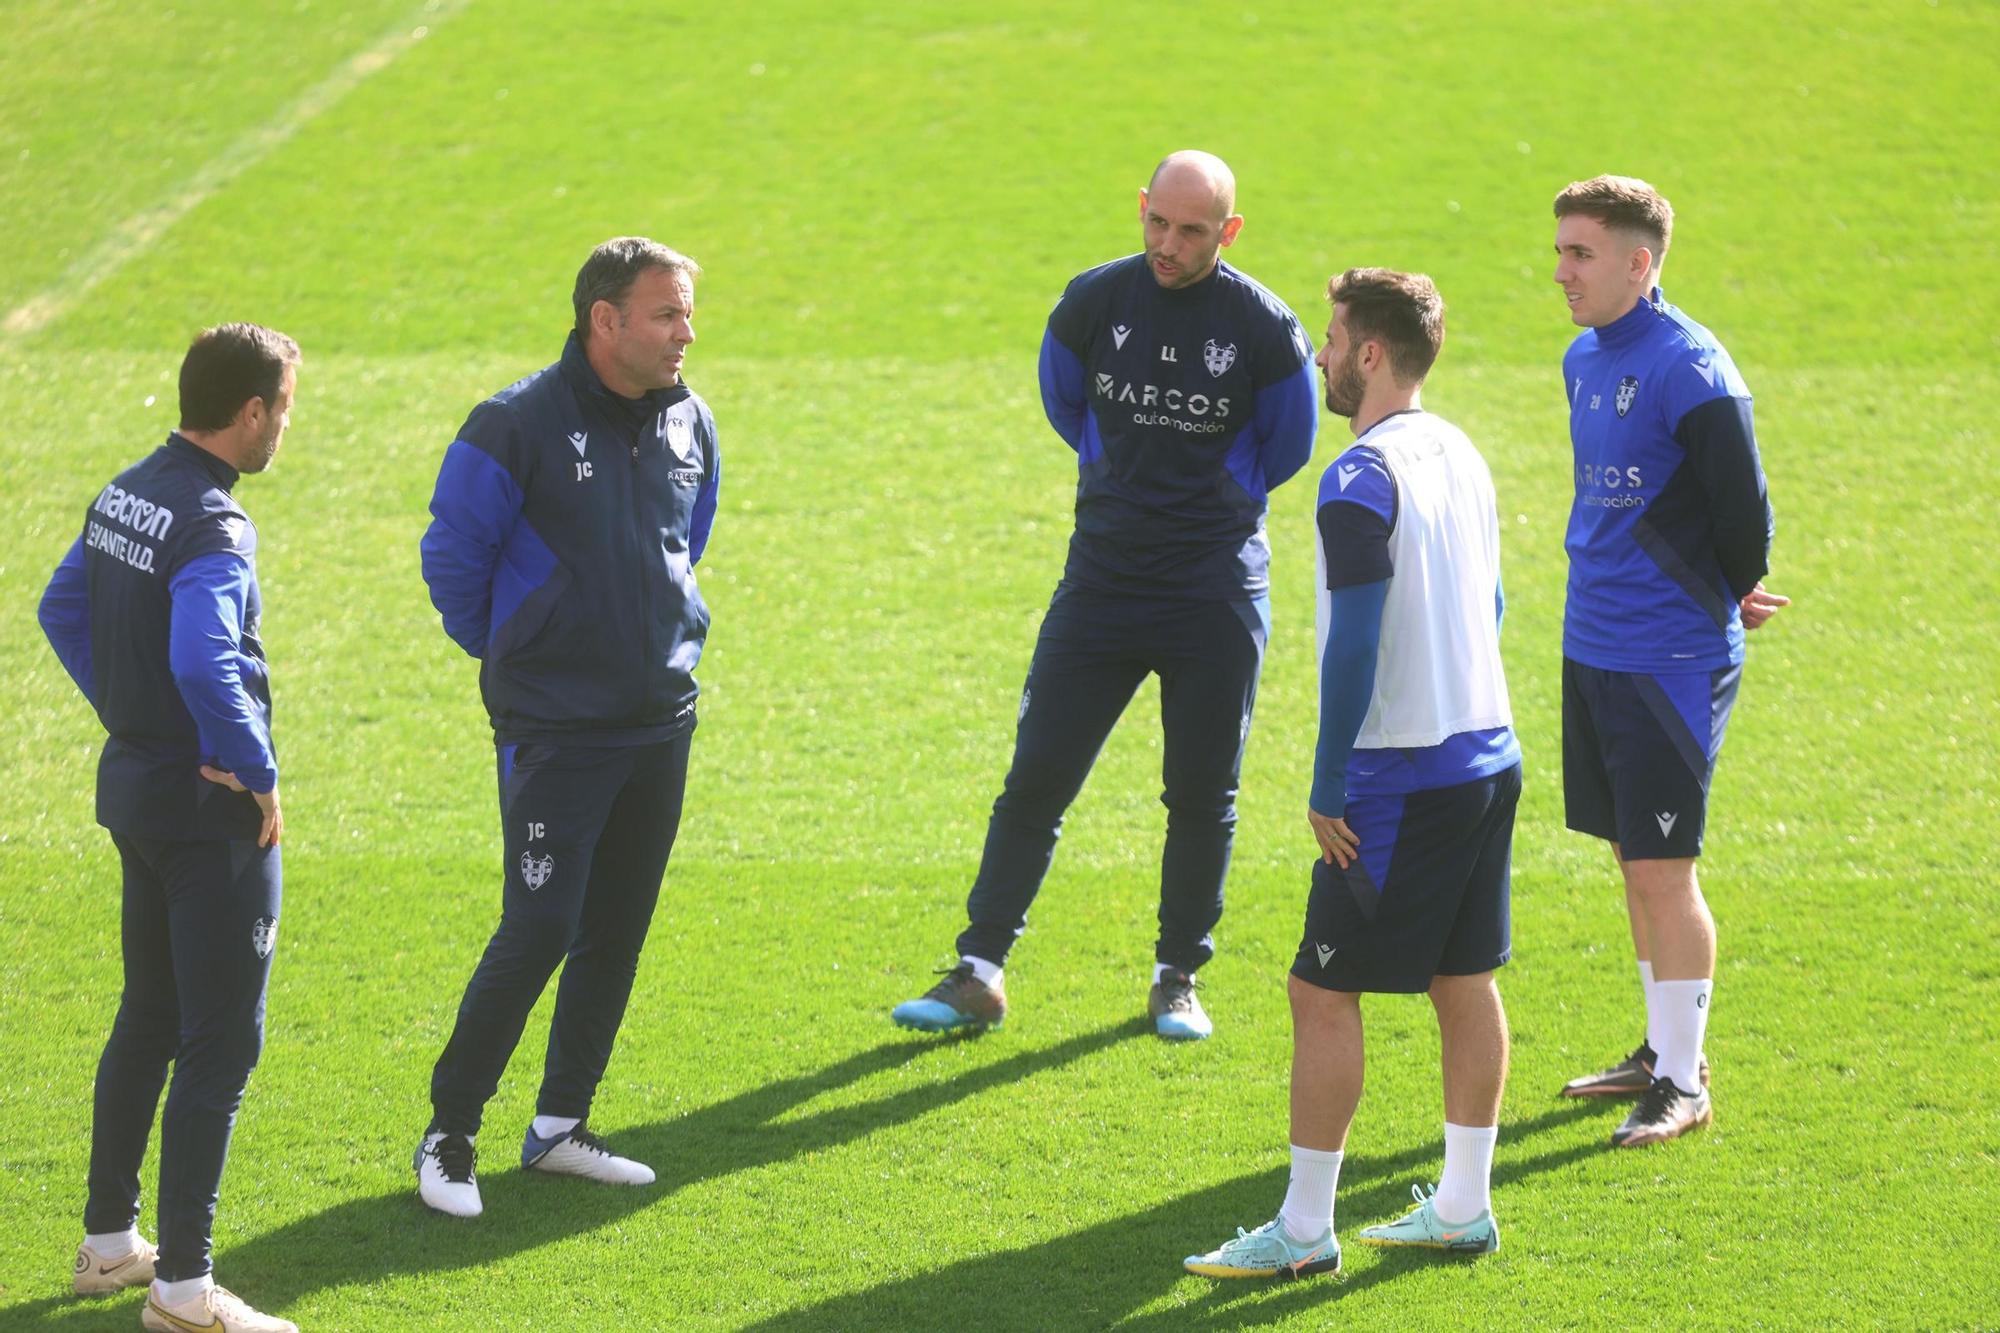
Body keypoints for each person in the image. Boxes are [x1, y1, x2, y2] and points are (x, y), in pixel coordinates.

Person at [890, 150, 1318, 1041]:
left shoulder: (1265, 328)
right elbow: (1065, 404)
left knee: (1202, 794)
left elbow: (1288, 447)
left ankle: (1177, 977)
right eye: (1157, 221)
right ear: (1142, 208)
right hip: (1103, 583)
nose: (1168, 243)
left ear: (1228, 232)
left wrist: (1197, 504)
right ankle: (978, 971)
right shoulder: (1092, 301)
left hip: (1214, 592)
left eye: (1192, 230)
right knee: (1036, 778)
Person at [1184, 268, 1521, 1280]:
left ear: (1369, 352)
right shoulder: (1457, 450)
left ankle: (1300, 1230)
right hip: (1486, 751)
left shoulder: (1356, 478)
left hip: (1399, 776)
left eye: (1331, 339)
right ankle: (1461, 1205)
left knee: (1317, 990)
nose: (1321, 356)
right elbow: (1492, 604)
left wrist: (1328, 781)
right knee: (1463, 981)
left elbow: (1353, 646)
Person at [414, 236, 720, 1217]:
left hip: (658, 718)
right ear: (605, 320)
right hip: (555, 727)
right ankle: (448, 1133)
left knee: (616, 927)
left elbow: (687, 538)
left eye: (685, 312)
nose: (686, 332)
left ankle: (558, 1126)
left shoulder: (689, 422)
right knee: (540, 922)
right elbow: (453, 561)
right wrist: (524, 653)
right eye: (665, 314)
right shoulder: (514, 424)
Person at [39, 323, 302, 1333]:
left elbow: (64, 608)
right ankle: (184, 1291)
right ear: (249, 414)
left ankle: (110, 1245)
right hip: (205, 816)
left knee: (148, 1014)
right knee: (220, 1042)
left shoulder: (127, 491)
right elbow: (204, 659)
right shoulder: (214, 525)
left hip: (137, 796)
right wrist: (254, 769)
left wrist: (137, 719)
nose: (286, 424)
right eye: (283, 407)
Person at [1548, 176, 1785, 1146]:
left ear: (1638, 263)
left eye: (1580, 253)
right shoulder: (1581, 356)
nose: (1560, 269)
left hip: (1668, 654)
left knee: (1661, 866)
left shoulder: (1692, 368)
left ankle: (1682, 1082)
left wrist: (1726, 589)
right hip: (1592, 638)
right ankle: (1657, 1046)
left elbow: (1743, 513)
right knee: (1627, 855)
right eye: (1559, 249)